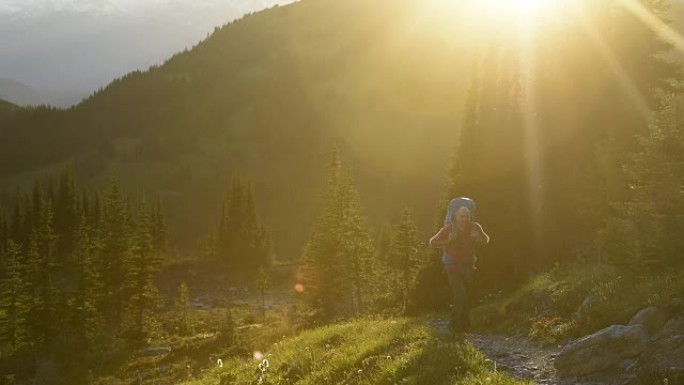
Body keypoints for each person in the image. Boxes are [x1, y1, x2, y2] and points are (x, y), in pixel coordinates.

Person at [429, 202, 490, 333]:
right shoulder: (448, 229)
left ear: (470, 217)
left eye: (466, 216)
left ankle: (456, 325)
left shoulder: (475, 228)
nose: (464, 219)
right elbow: (432, 242)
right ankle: (461, 327)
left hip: (469, 267)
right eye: (462, 216)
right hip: (452, 268)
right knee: (461, 296)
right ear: (456, 217)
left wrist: (478, 239)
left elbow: (486, 240)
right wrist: (448, 241)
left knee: (462, 297)